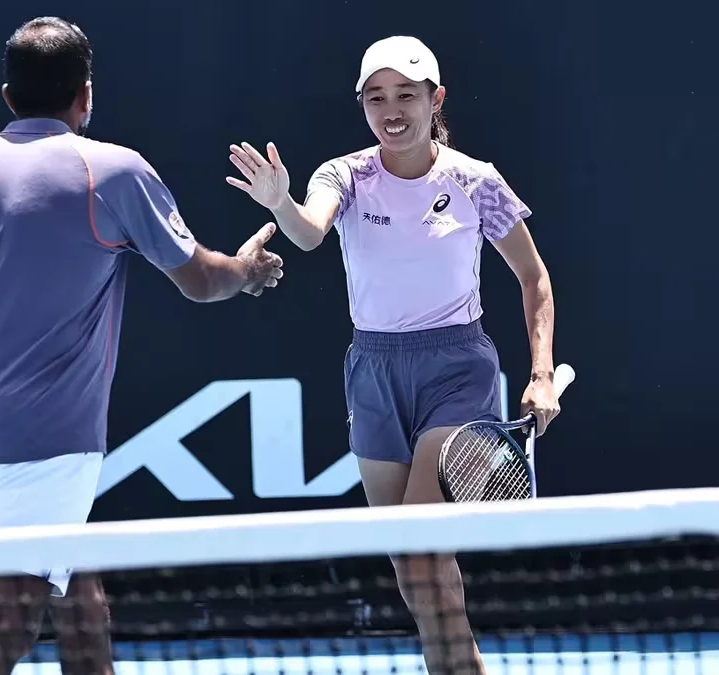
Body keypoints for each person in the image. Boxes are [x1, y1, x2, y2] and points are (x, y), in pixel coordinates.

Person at [0, 16, 284, 675]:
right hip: (53, 443)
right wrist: (249, 271)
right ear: (86, 96)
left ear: (8, 95)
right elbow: (204, 281)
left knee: (79, 597)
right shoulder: (113, 172)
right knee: (4, 629)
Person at [225, 35, 559, 675]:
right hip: (374, 371)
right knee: (413, 567)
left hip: (456, 370)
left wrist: (542, 374)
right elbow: (308, 233)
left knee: (419, 545)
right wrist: (278, 203)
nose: (391, 109)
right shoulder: (344, 174)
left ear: (436, 100)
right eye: (376, 97)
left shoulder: (475, 181)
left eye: (406, 94)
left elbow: (534, 279)